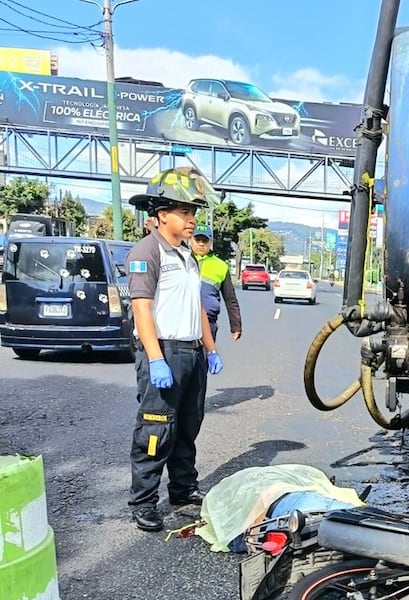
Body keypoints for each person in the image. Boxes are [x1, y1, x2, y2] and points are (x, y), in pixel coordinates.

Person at [125, 166, 224, 532]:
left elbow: (196, 306)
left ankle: (183, 490)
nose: (191, 220)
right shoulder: (147, 252)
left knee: (187, 426)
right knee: (156, 429)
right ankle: (144, 501)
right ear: (162, 214)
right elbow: (141, 308)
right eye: (184, 212)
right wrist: (155, 359)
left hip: (191, 352)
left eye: (193, 213)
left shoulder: (187, 255)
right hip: (163, 351)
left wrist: (210, 348)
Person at [190, 225, 242, 342]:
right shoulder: (182, 259)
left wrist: (235, 326)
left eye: (205, 240)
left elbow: (230, 299)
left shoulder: (221, 266)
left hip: (208, 322)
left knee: (206, 358)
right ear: (190, 240)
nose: (201, 244)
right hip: (183, 320)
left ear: (210, 243)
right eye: (197, 240)